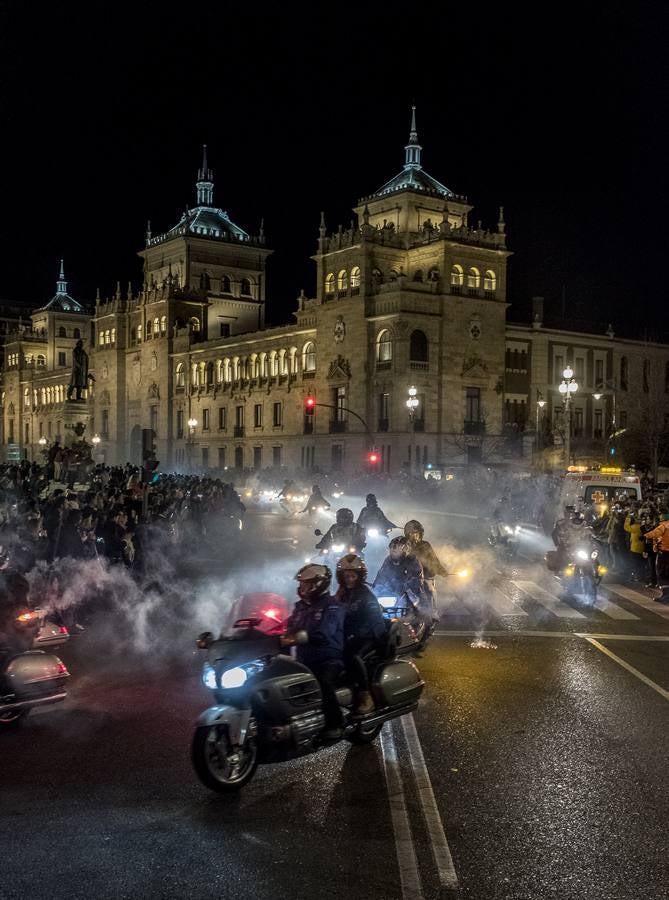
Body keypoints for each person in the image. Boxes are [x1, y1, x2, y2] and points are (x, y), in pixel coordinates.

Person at [283, 564, 345, 739]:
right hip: (304, 659)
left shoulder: (332, 606)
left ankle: (335, 724)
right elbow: (287, 626)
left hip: (328, 658)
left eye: (306, 583)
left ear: (318, 584)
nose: (302, 587)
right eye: (301, 583)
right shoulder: (301, 607)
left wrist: (302, 636)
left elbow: (326, 632)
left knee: (323, 681)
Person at [335, 554, 386, 715]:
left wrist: (379, 640)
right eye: (346, 576)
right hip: (346, 635)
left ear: (359, 576)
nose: (349, 579)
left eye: (353, 576)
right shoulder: (342, 593)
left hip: (365, 636)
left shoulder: (365, 595)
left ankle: (366, 695)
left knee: (350, 655)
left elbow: (375, 619)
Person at [403, 519, 448, 620]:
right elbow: (396, 559)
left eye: (414, 532)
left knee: (429, 590)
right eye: (409, 532)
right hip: (408, 579)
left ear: (420, 533)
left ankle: (432, 613)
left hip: (425, 578)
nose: (412, 535)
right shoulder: (404, 546)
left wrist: (442, 571)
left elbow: (434, 561)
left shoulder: (425, 545)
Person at [373, 536, 428, 609]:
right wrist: (374, 589)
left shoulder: (412, 561)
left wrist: (406, 590)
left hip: (411, 594)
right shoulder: (388, 560)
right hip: (393, 595)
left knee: (419, 610)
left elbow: (415, 581)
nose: (393, 549)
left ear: (405, 549)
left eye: (398, 547)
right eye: (392, 547)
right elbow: (381, 575)